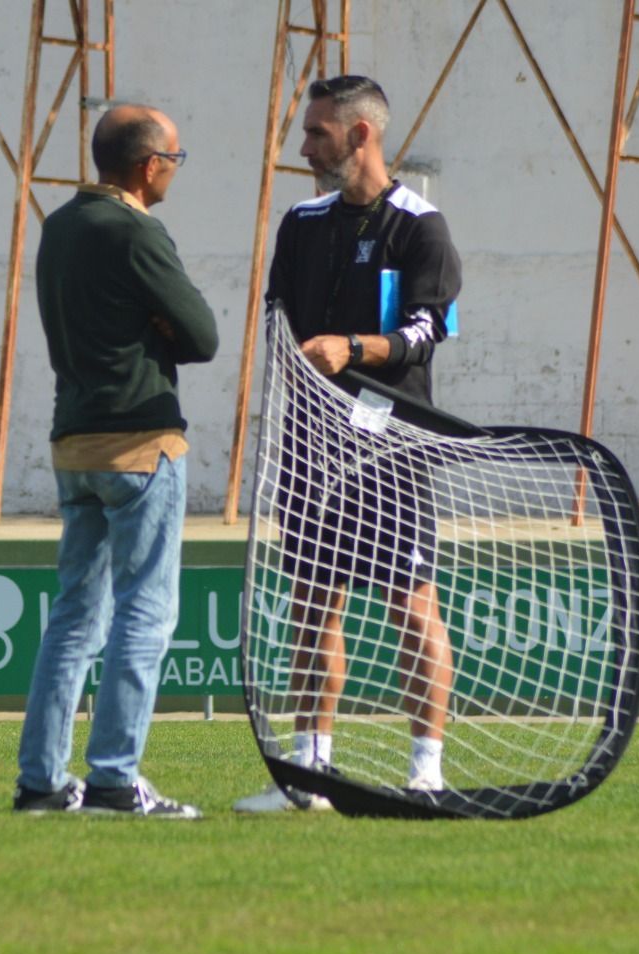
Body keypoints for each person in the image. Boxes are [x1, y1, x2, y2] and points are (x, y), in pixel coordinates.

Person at [235, 75, 462, 813]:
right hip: (313, 447)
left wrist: (353, 348)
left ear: (361, 135)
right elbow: (275, 318)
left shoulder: (420, 226)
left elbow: (429, 332)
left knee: (410, 602)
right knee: (312, 603)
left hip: (394, 447)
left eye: (317, 134)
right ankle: (310, 777)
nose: (303, 148)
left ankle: (425, 770)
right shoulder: (301, 223)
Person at [14, 104, 218, 818]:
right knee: (146, 613)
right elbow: (201, 333)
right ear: (147, 163)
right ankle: (113, 777)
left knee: (74, 614)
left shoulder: (60, 225)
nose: (174, 171)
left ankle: (40, 779)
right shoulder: (137, 232)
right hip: (140, 441)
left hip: (74, 440)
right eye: (174, 158)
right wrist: (156, 322)